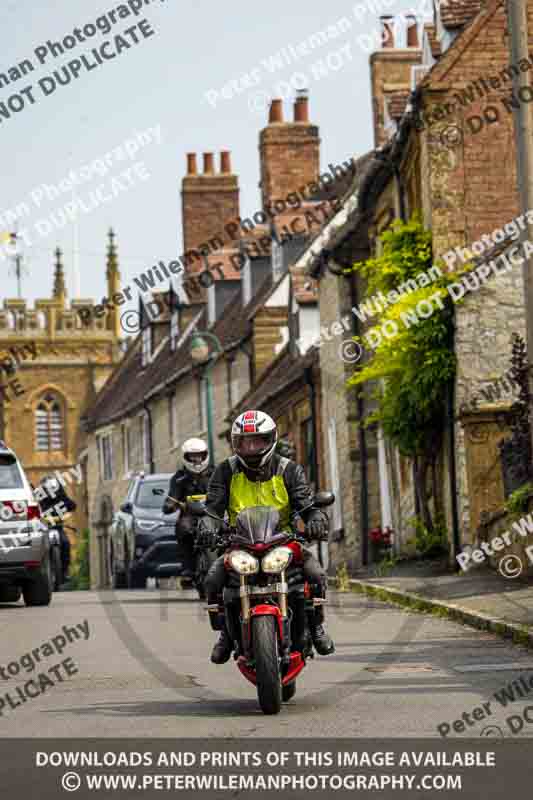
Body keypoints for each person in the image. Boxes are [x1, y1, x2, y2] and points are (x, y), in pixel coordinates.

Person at [200, 409, 334, 664]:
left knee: (316, 575)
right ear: (235, 443)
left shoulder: (289, 470)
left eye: (257, 440)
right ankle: (226, 637)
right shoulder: (225, 471)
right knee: (213, 580)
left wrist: (315, 519)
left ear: (270, 439)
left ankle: (316, 629)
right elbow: (213, 509)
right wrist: (206, 526)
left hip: (283, 541)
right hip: (239, 543)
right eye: (244, 442)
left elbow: (306, 505)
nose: (251, 447)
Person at [162, 438, 214, 578]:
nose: (197, 459)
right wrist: (170, 504)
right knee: (183, 528)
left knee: (228, 531)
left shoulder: (215, 474)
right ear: (186, 457)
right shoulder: (179, 478)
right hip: (189, 515)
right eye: (192, 456)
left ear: (205, 455)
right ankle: (188, 567)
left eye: (199, 455)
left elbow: (225, 491)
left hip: (213, 514)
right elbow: (172, 496)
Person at [37, 475, 77, 579]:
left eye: (53, 489)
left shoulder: (61, 496)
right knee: (38, 548)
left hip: (58, 526)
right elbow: (36, 509)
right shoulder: (39, 497)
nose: (52, 492)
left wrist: (69, 510)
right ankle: (39, 572)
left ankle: (65, 570)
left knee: (66, 543)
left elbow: (71, 505)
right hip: (45, 527)